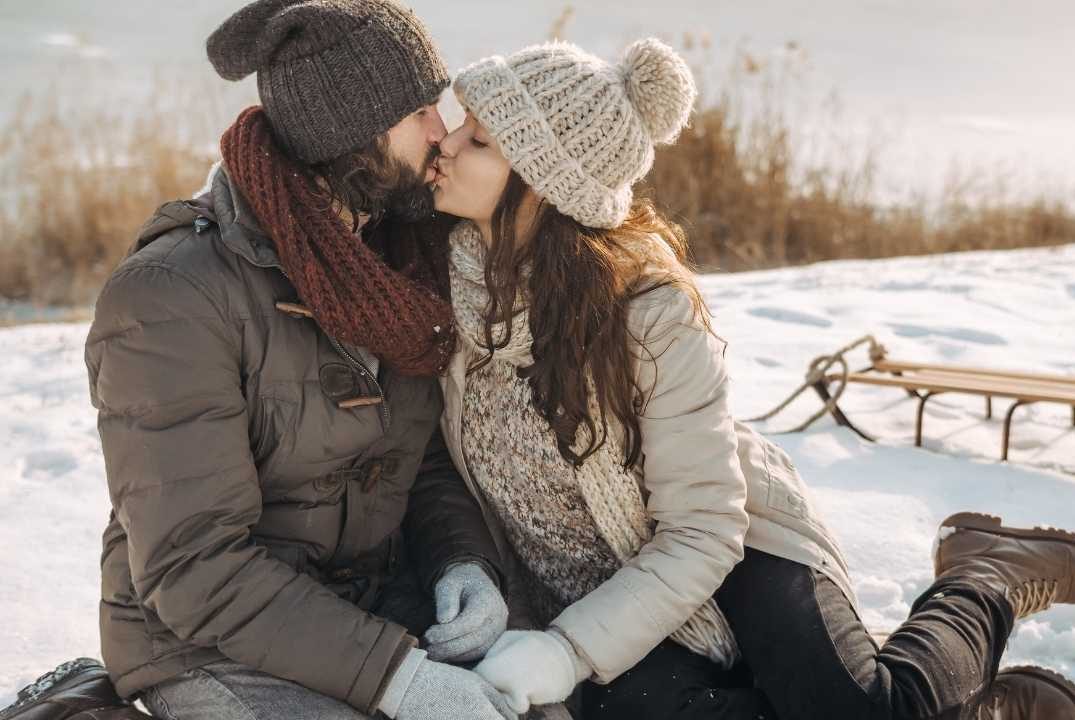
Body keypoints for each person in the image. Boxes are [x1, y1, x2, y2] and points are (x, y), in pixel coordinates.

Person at [424, 37, 1075, 720]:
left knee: (866, 712)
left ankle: (985, 570)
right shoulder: (443, 286)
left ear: (544, 183)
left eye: (480, 140)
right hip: (603, 589)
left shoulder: (644, 313)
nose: (446, 142)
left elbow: (703, 528)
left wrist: (565, 653)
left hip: (728, 545)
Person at [0, 2, 518, 720]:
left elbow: (419, 459)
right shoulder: (173, 295)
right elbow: (194, 567)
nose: (442, 131)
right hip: (206, 641)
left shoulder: (399, 255)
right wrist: (396, 679)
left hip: (366, 607)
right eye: (421, 109)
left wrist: (464, 562)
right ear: (350, 130)